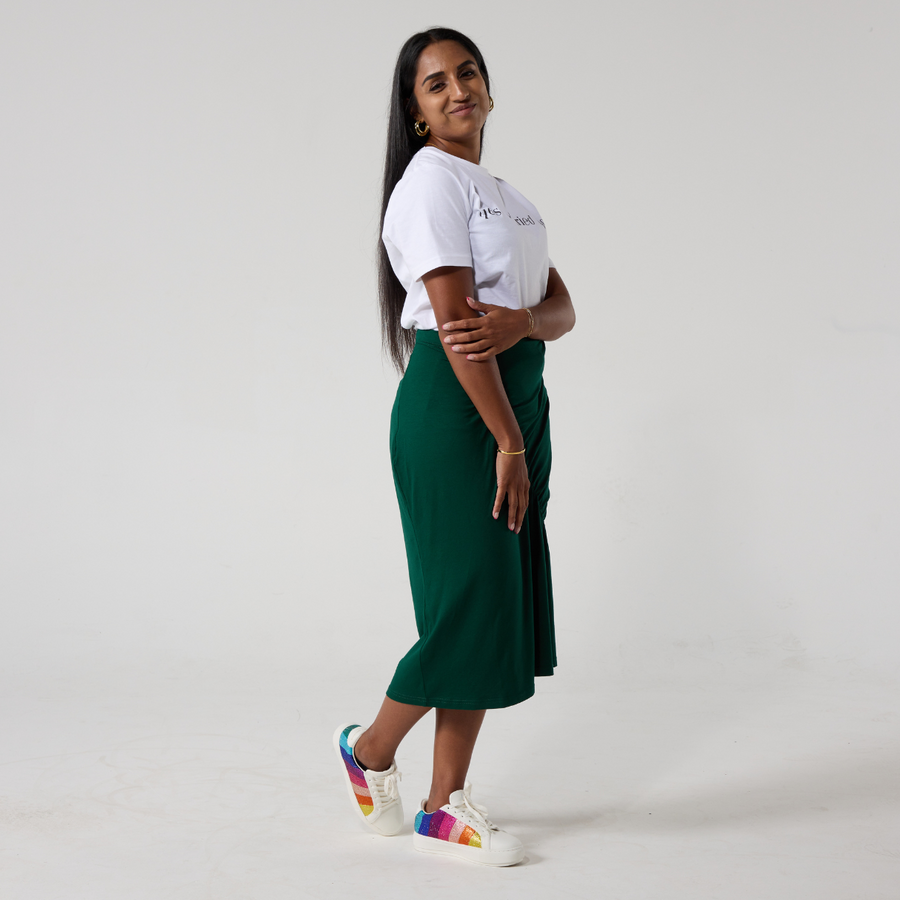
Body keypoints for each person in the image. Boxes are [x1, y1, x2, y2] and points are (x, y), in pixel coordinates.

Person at [333, 27, 575, 867]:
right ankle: (369, 753)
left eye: (467, 73)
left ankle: (444, 805)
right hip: (461, 410)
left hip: (520, 405)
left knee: (487, 601)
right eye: (435, 83)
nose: (456, 89)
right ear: (416, 109)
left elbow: (562, 308)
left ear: (488, 88)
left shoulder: (508, 194)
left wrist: (527, 326)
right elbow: (463, 331)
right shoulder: (428, 186)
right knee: (464, 604)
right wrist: (507, 441)